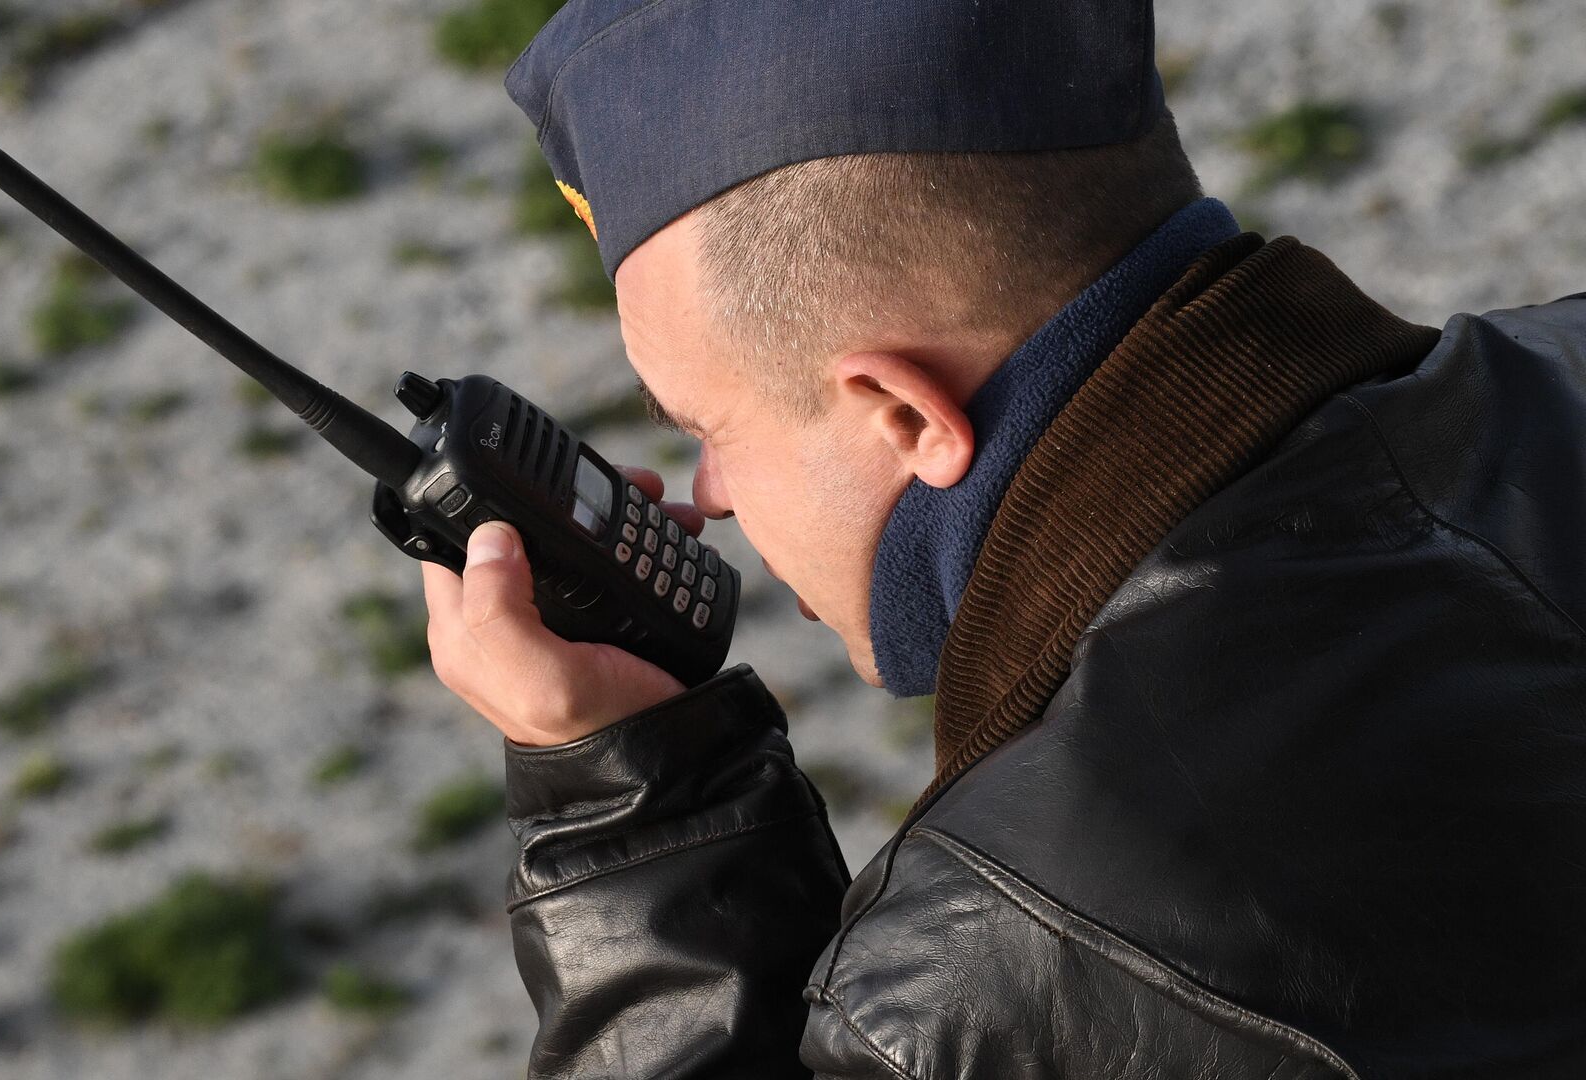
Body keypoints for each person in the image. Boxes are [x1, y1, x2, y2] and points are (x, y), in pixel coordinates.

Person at [418, 1, 1586, 1076]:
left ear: (906, 415)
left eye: (707, 427)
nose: (707, 494)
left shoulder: (1004, 968)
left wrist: (632, 815)